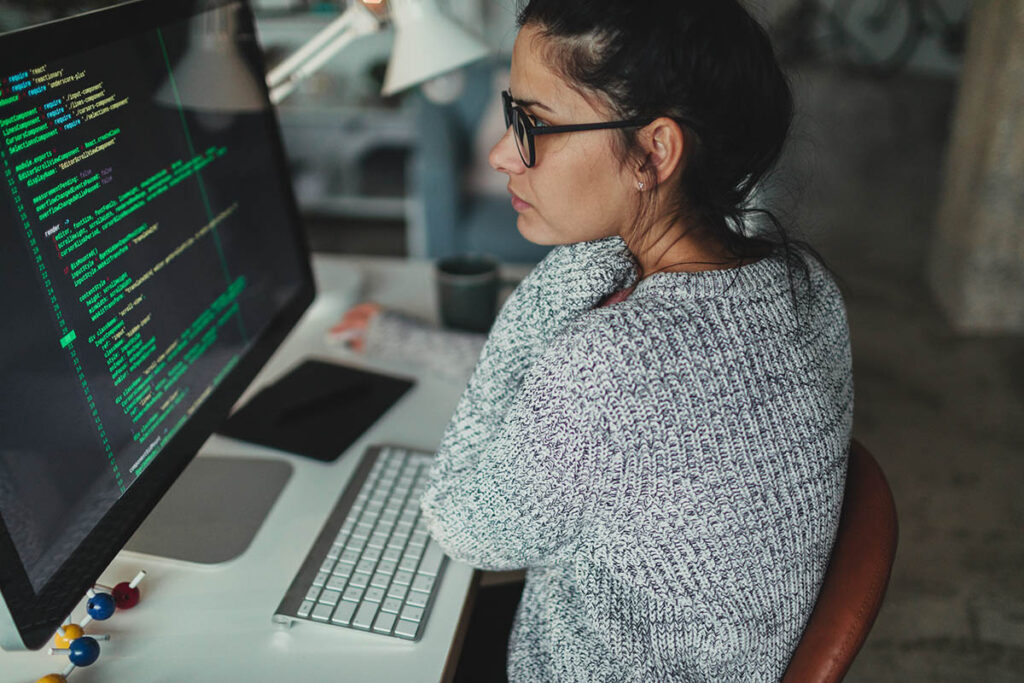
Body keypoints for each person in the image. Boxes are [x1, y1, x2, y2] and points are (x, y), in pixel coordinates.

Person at [335, 0, 853, 680]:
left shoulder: (618, 355)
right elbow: (570, 406)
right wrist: (401, 339)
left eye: (534, 124)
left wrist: (567, 263)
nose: (499, 153)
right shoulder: (800, 281)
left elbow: (460, 521)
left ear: (655, 150)